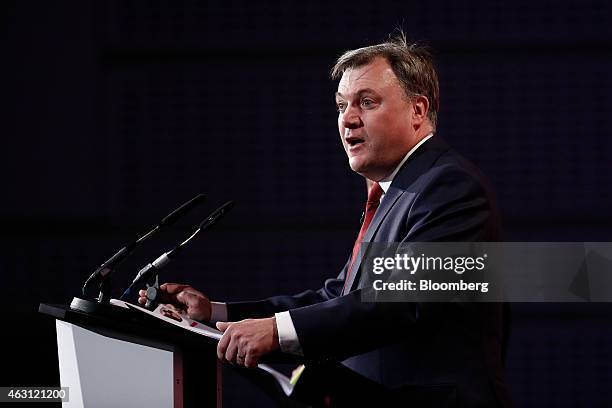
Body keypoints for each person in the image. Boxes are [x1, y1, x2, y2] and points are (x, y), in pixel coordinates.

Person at [139, 33, 511, 407]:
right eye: (340, 105)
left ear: (417, 110)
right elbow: (341, 297)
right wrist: (217, 315)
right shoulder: (397, 192)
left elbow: (401, 301)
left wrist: (275, 331)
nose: (348, 119)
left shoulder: (449, 186)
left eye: (367, 102)